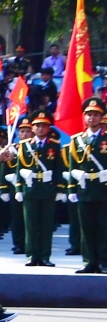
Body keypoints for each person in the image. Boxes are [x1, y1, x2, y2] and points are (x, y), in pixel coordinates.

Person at [69, 97, 107, 274]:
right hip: (84, 189)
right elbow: (72, 167)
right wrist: (71, 188)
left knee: (103, 227)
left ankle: (103, 261)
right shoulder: (77, 140)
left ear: (101, 117)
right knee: (86, 227)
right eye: (89, 114)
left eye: (96, 115)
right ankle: (89, 261)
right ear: (84, 117)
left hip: (103, 189)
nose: (92, 118)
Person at [19, 112, 62, 267]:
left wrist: (60, 189)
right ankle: (32, 255)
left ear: (48, 128)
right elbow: (19, 168)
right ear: (32, 128)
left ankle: (45, 256)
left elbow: (58, 168)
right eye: (37, 125)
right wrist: (18, 188)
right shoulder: (25, 145)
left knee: (46, 225)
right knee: (31, 225)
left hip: (47, 189)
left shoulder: (54, 145)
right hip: (30, 189)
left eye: (44, 125)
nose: (40, 128)